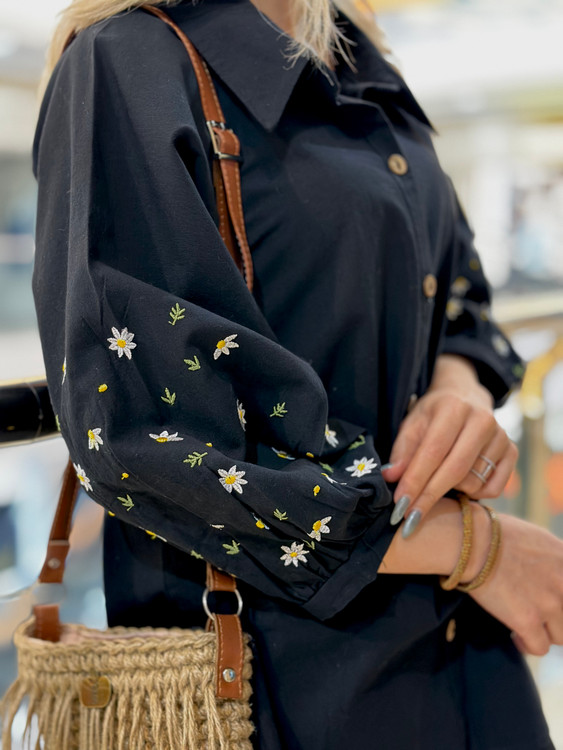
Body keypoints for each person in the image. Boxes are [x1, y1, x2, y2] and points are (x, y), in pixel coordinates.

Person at [31, 0, 563, 747]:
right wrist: (475, 548)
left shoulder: (353, 57)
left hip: (458, 637)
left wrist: (457, 389)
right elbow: (139, 431)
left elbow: (458, 292)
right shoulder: (129, 61)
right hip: (277, 673)